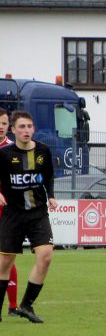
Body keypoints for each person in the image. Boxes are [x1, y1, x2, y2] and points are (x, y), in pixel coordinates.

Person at [0, 111, 57, 324]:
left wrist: (51, 195)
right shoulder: (5, 154)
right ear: (13, 130)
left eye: (29, 126)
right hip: (13, 214)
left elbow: (49, 175)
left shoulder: (43, 150)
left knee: (46, 256)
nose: (26, 130)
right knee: (5, 261)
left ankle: (26, 305)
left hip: (37, 213)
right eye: (21, 127)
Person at [0, 110, 20, 317]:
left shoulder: (13, 150)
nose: (1, 126)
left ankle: (13, 305)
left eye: (4, 123)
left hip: (8, 211)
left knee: (7, 257)